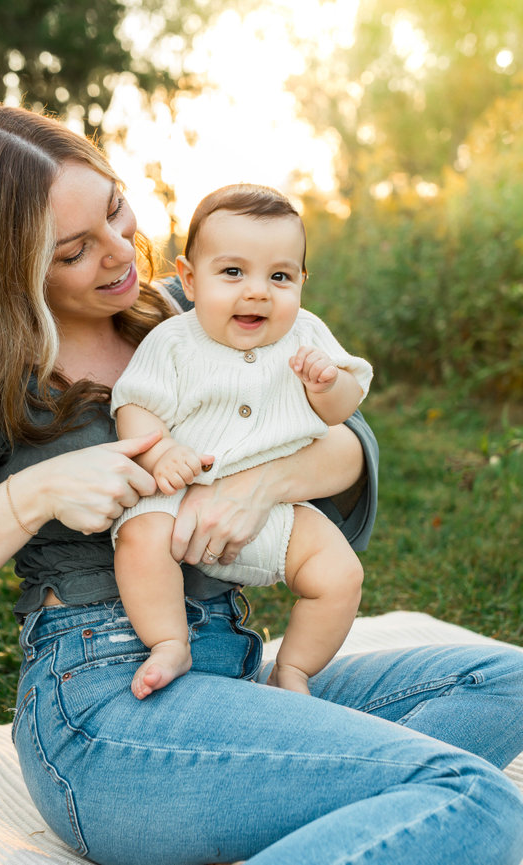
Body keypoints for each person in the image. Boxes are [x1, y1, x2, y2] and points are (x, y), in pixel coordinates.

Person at [0, 104, 523, 865]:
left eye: (118, 209)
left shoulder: (185, 315)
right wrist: (34, 495)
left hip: (237, 674)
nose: (121, 252)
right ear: (5, 270)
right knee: (471, 799)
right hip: (108, 708)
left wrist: (258, 484)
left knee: (500, 683)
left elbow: (348, 446)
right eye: (76, 251)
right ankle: (329, 799)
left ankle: (291, 806)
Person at [110, 183, 372, 700]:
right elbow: (134, 404)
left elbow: (344, 414)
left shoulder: (307, 335)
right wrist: (160, 452)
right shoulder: (174, 341)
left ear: (301, 282)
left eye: (279, 276)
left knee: (341, 575)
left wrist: (327, 385)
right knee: (139, 538)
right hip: (178, 496)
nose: (257, 291)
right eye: (233, 272)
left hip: (273, 508)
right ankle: (168, 641)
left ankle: (293, 670)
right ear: (189, 277)